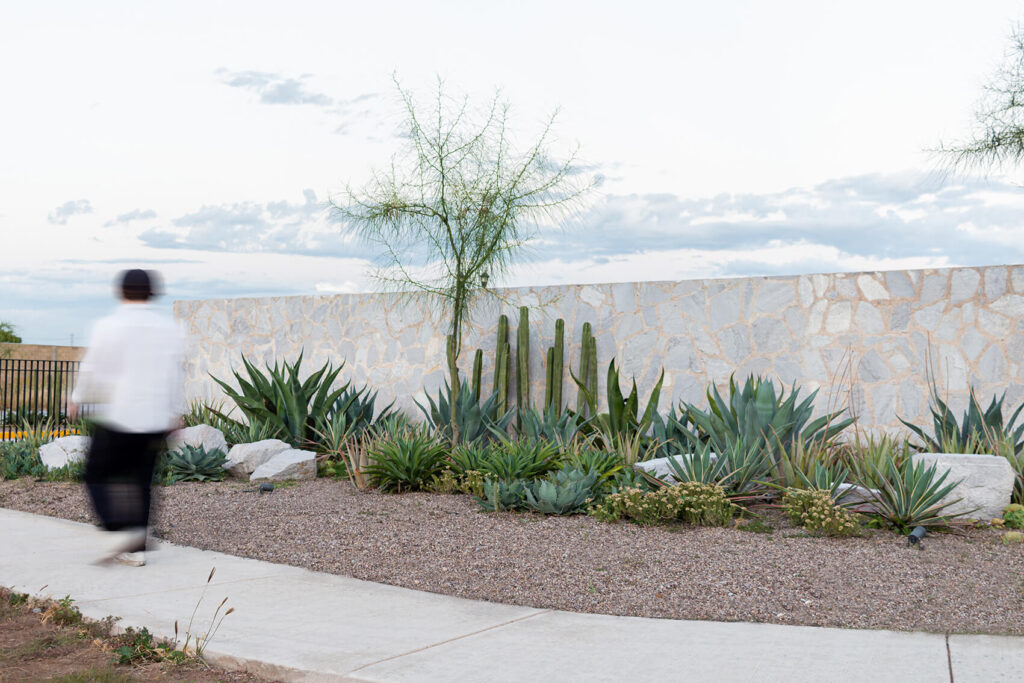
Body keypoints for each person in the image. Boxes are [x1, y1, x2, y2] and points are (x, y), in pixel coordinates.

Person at [70, 269, 185, 566]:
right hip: (156, 420)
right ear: (151, 293)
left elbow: (93, 367)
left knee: (96, 473)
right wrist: (175, 414)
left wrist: (77, 399)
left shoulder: (109, 325)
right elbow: (175, 373)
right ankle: (136, 549)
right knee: (141, 480)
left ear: (121, 292)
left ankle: (118, 530)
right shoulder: (169, 328)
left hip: (122, 416)